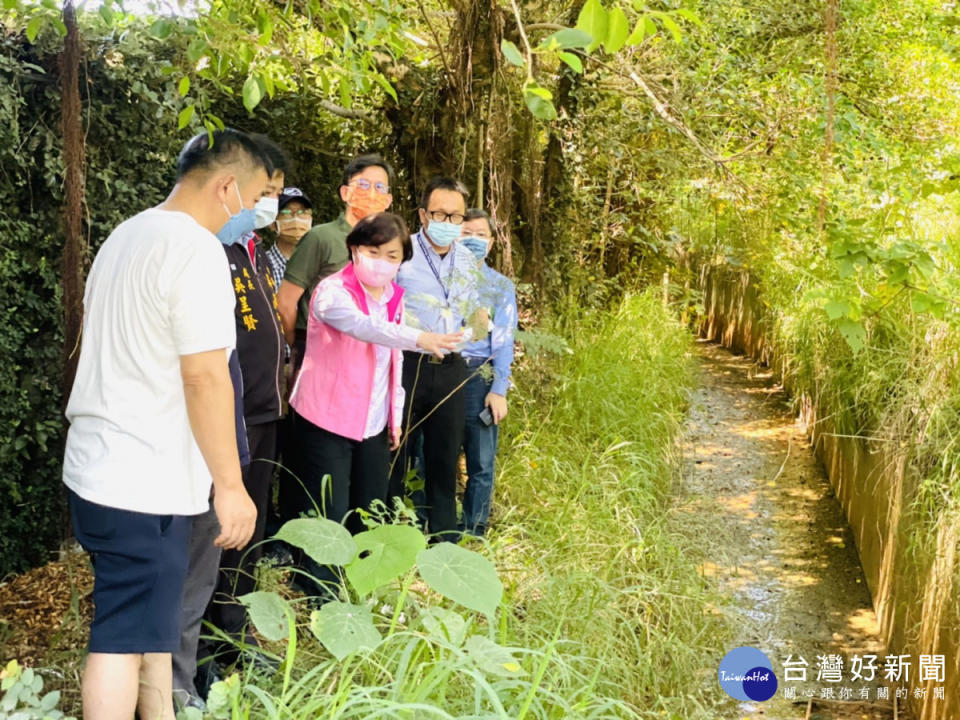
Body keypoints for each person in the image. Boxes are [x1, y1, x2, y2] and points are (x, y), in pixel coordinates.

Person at [62, 128, 265, 720]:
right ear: (227, 186)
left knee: (150, 632)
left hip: (100, 468)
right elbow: (205, 378)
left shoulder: (128, 233)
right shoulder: (196, 250)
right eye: (253, 201)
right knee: (122, 641)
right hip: (140, 484)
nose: (252, 215)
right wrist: (230, 488)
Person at [287, 213, 460, 596]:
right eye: (372, 251)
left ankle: (360, 586)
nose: (381, 262)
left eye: (392, 256)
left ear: (402, 261)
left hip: (374, 421)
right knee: (328, 510)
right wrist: (419, 338)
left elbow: (391, 366)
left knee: (369, 507)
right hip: (326, 418)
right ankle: (318, 590)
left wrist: (394, 419)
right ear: (354, 249)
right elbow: (362, 327)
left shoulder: (395, 297)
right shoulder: (333, 292)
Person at [390, 176, 484, 542]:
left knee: (445, 459)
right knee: (397, 455)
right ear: (422, 215)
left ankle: (445, 540)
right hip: (407, 365)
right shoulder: (402, 252)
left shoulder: (466, 259)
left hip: (450, 368)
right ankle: (394, 538)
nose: (448, 224)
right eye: (439, 215)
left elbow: (473, 310)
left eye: (456, 217)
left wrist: (477, 327)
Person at [276, 154, 395, 362]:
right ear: (345, 193)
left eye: (380, 188)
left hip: (367, 351)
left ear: (388, 200)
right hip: (319, 348)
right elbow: (286, 302)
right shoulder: (321, 237)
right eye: (364, 185)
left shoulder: (387, 247)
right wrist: (300, 346)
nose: (372, 194)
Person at [458, 209, 517, 537]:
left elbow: (504, 340)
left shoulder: (500, 286)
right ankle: (431, 524)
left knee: (480, 459)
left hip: (479, 376)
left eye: (481, 235)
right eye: (466, 233)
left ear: (492, 242)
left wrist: (499, 388)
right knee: (431, 454)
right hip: (442, 370)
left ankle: (474, 527)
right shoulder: (441, 279)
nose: (473, 240)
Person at [264, 187, 312, 291]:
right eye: (287, 212)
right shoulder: (262, 266)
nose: (296, 219)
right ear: (272, 224)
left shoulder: (319, 263)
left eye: (302, 212)